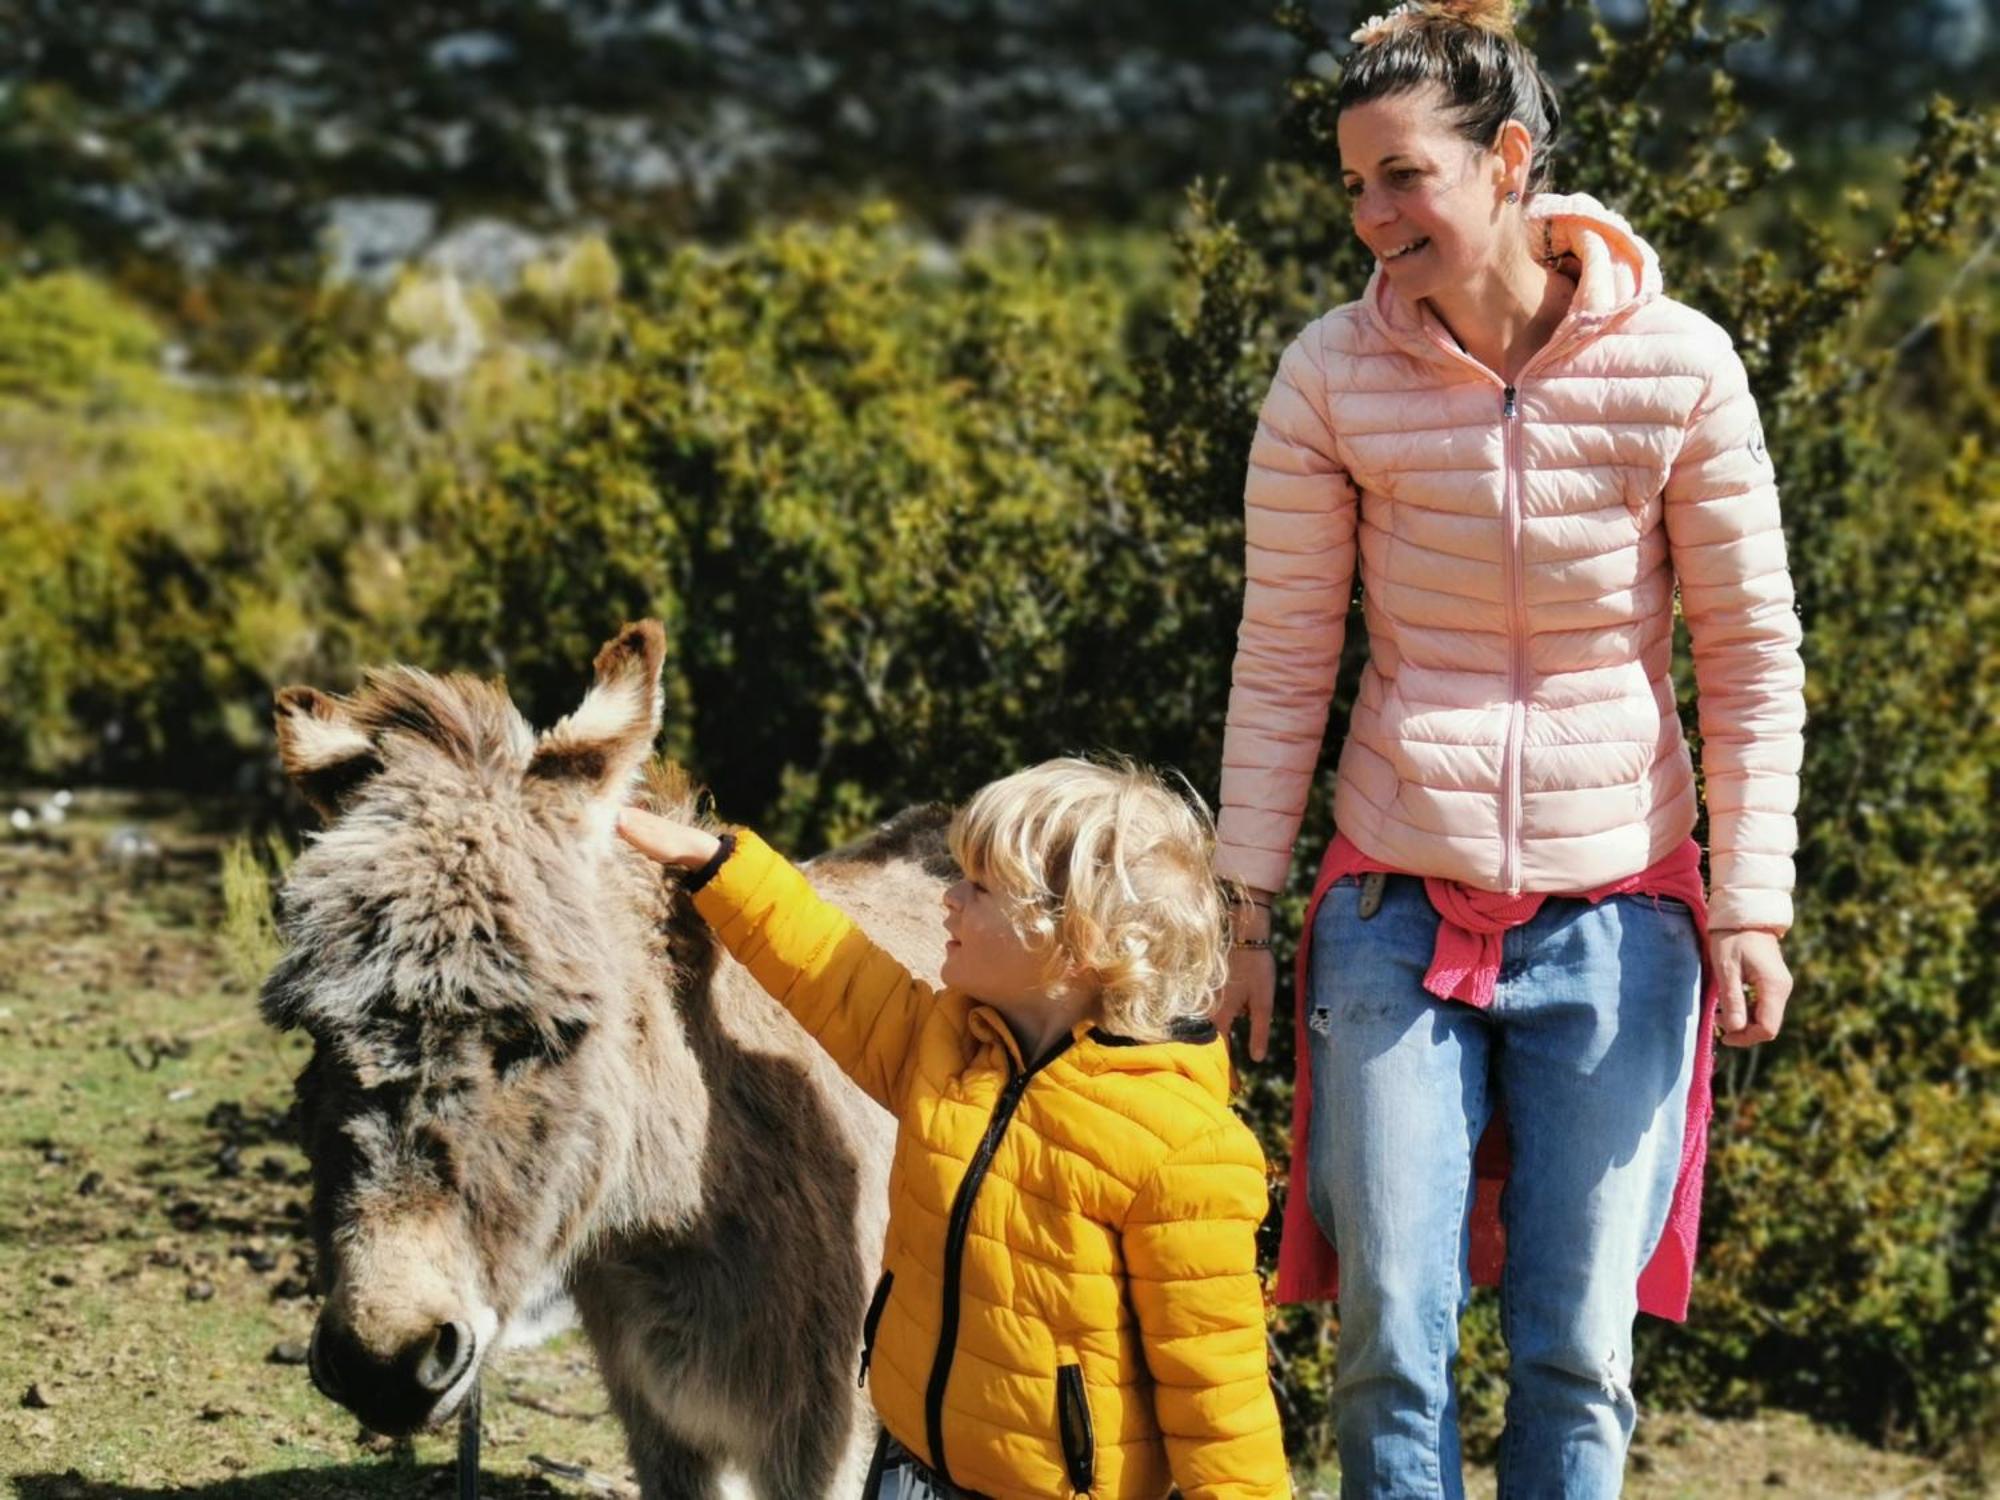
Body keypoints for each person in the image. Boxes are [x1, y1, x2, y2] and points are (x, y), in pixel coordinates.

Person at [1208, 1, 1806, 1496]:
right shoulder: (1330, 376)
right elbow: (1283, 654)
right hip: (1391, 907)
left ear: (1509, 161)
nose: (1372, 214)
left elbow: (1747, 660)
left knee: (1576, 1353)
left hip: (1622, 916)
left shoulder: (1677, 367)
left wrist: (1751, 899)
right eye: (1353, 184)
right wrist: (1243, 903)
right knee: (1392, 1342)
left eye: (1402, 176)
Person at [617, 758, 1293, 1499]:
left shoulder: (1184, 1153)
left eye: (979, 887)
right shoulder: (947, 1048)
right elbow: (829, 967)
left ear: (1076, 940)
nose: (946, 899)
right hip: (909, 1464)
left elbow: (1220, 1409)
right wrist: (717, 862)